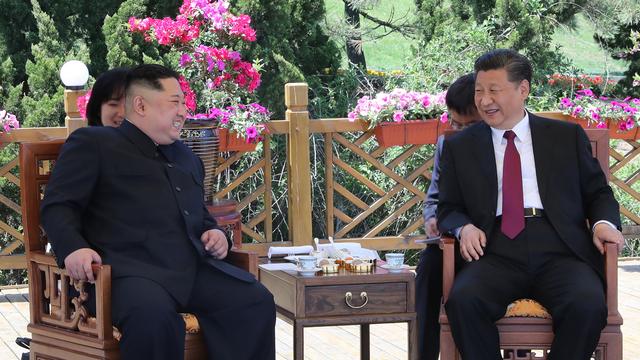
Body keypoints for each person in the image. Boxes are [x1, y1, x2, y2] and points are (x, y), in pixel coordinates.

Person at [41, 64, 276, 360]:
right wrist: (73, 248)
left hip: (188, 270)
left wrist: (214, 233)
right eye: (174, 102)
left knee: (253, 300)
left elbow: (198, 215)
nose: (183, 112)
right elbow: (57, 206)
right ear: (140, 105)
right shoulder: (94, 144)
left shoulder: (186, 155)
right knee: (153, 318)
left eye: (184, 103)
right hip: (122, 276)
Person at [437, 49, 624, 360]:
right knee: (463, 301)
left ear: (523, 89)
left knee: (588, 304)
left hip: (559, 247)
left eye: (494, 90)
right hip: (493, 249)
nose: (484, 101)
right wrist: (463, 226)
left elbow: (598, 194)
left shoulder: (564, 137)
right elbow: (447, 207)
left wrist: (603, 224)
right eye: (479, 91)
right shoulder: (460, 146)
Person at [416, 73, 480, 360]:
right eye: (454, 123)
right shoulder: (447, 144)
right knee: (429, 269)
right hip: (451, 240)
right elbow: (434, 197)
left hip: (491, 244)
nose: (460, 131)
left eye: (469, 125)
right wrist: (432, 218)